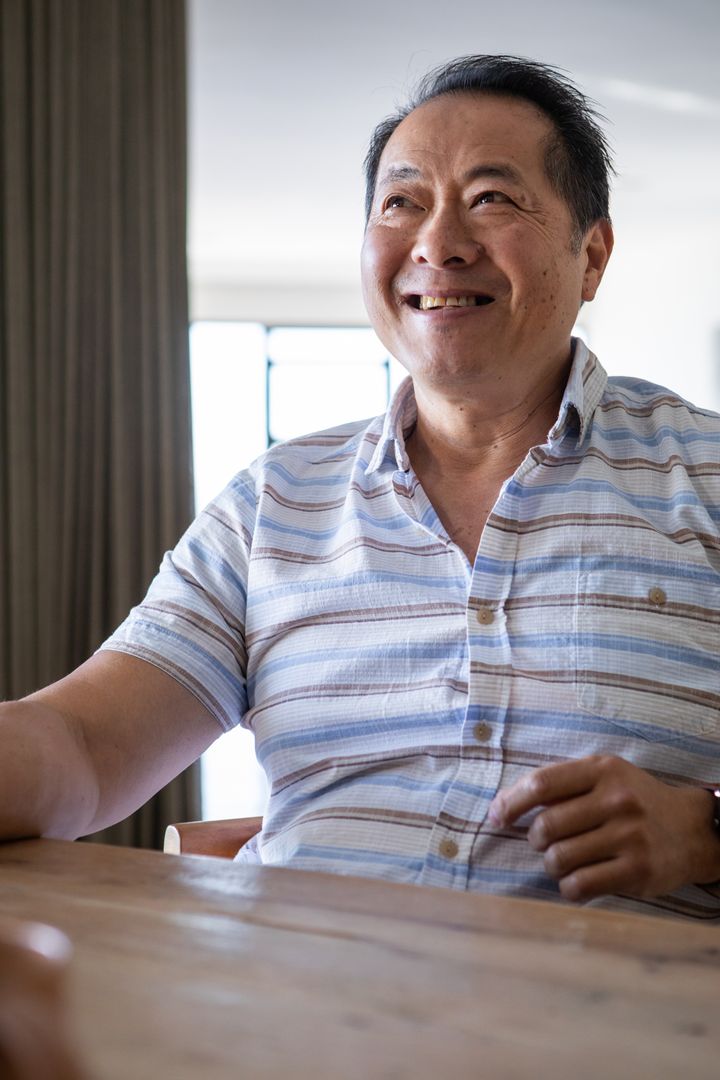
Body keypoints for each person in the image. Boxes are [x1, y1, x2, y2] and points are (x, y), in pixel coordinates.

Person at [1, 55, 719, 920]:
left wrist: (702, 834)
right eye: (402, 202)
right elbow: (83, 742)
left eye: (491, 198)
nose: (438, 242)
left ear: (592, 254)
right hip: (293, 1017)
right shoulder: (274, 502)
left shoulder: (705, 477)